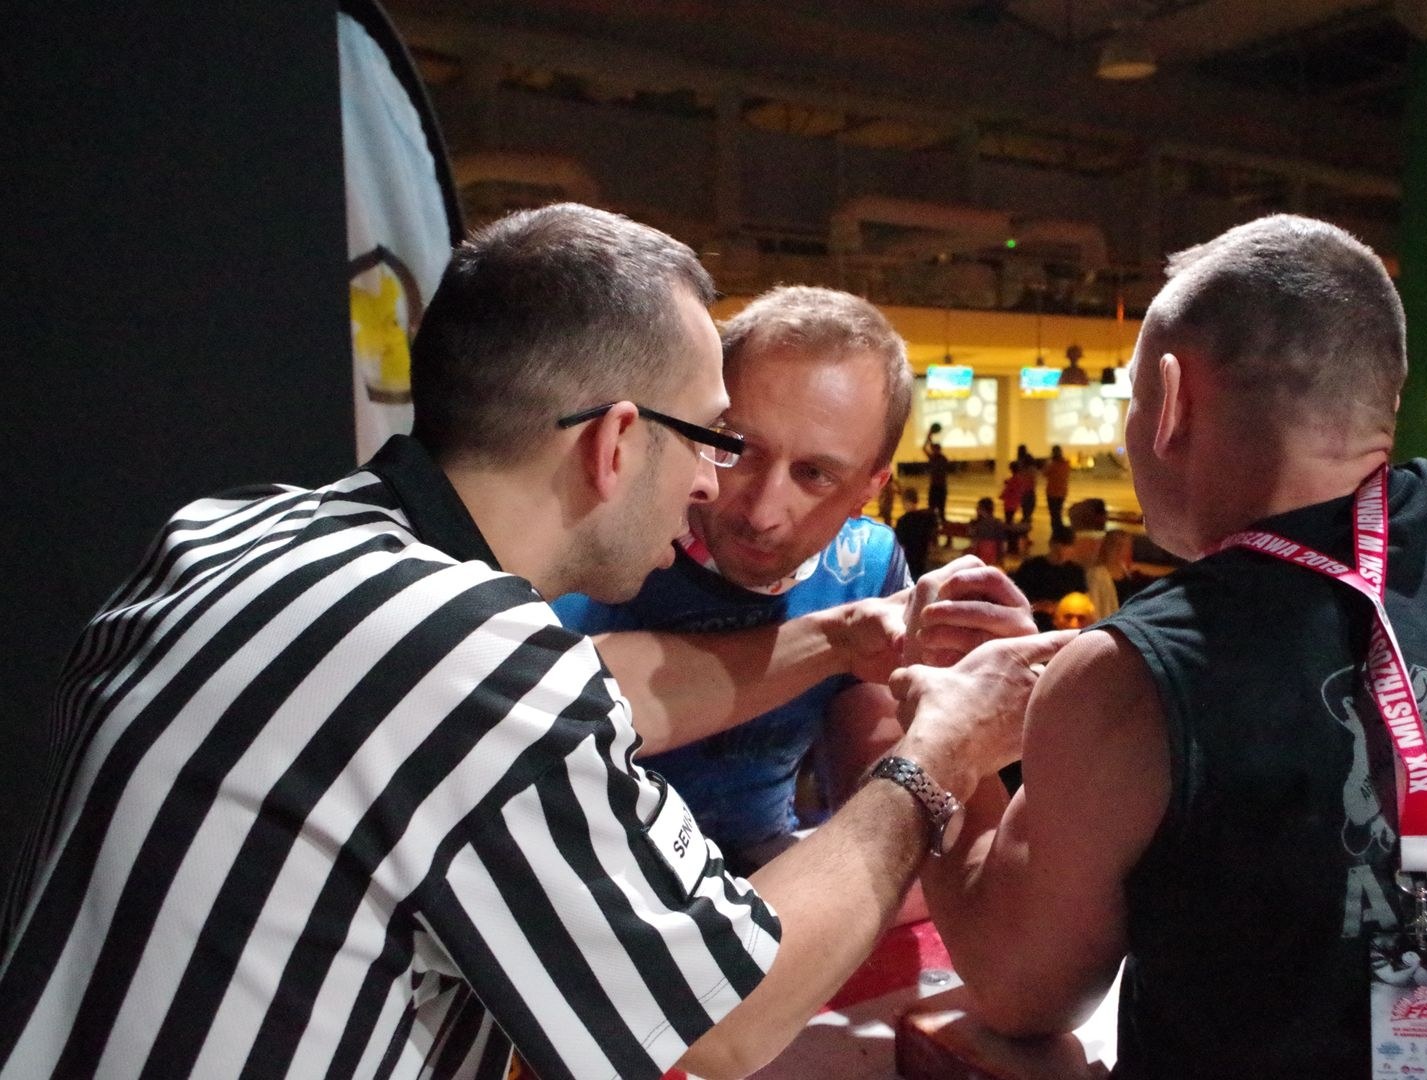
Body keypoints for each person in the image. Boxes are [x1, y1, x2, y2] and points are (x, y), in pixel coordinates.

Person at [0, 205, 1058, 1080]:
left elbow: (590, 694)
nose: (713, 487)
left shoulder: (231, 531)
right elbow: (721, 1014)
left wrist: (852, 641)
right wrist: (942, 753)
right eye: (711, 438)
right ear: (615, 441)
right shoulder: (480, 664)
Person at [919, 214, 1427, 1078]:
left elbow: (1019, 993)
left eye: (1131, 398)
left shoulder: (1131, 678)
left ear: (1172, 400)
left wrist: (947, 746)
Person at [553, 286, 1035, 877]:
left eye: (814, 474)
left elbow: (890, 812)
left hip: (759, 882)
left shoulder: (865, 564)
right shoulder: (601, 531)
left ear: (870, 490)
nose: (762, 513)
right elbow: (549, 698)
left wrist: (962, 701)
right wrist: (839, 640)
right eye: (737, 449)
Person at [1010, 528, 1087, 630]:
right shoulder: (1031, 567)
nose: (1061, 556)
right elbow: (1015, 599)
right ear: (1051, 545)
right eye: (1057, 552)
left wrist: (1060, 607)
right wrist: (1039, 606)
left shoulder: (1076, 572)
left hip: (1065, 625)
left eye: (1066, 552)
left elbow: (1083, 603)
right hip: (1034, 622)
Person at [1083, 528, 1142, 621]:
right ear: (1115, 548)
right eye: (1127, 546)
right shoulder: (1097, 574)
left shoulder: (1124, 569)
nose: (1129, 550)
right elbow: (1094, 606)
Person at [894, 486, 939, 581]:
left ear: (905, 501)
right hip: (922, 559)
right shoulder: (926, 518)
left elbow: (900, 545)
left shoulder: (903, 521)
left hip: (909, 561)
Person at [967, 496, 1007, 566]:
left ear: (981, 509)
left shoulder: (977, 523)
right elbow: (1000, 542)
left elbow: (973, 538)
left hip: (980, 550)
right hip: (992, 552)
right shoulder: (997, 522)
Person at [1044, 444, 1071, 534]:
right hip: (1062, 491)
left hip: (1052, 492)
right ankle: (1059, 531)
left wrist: (1048, 462)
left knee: (1054, 514)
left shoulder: (1051, 464)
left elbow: (1044, 473)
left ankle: (1056, 531)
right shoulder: (1066, 464)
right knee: (1058, 512)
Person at [925, 439, 951, 524]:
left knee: (937, 507)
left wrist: (928, 439)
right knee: (938, 507)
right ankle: (940, 523)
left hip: (937, 486)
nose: (933, 451)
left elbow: (924, 448)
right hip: (939, 486)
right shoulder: (942, 458)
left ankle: (936, 523)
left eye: (934, 449)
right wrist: (929, 440)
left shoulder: (936, 458)